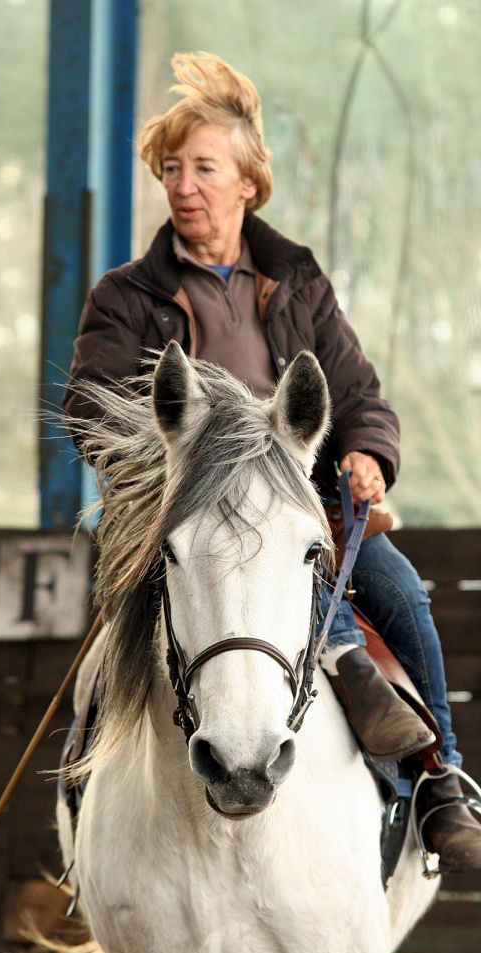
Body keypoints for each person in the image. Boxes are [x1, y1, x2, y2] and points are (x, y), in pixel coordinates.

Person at [62, 51, 481, 872]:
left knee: (399, 587)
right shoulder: (124, 295)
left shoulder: (296, 278)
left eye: (204, 168)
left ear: (247, 183)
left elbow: (356, 389)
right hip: (182, 507)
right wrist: (173, 458)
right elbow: (92, 405)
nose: (184, 185)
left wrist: (368, 455)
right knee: (120, 641)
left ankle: (442, 780)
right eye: (172, 169)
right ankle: (85, 798)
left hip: (302, 498)